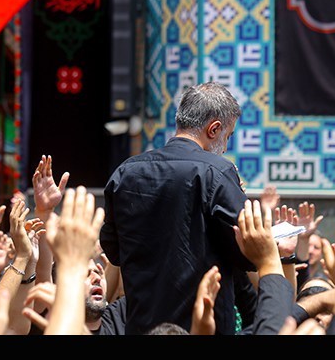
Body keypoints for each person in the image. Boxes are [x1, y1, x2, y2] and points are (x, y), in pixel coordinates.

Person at [100, 81, 255, 335]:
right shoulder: (217, 171)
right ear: (214, 129)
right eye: (227, 136)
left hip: (142, 326)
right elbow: (248, 254)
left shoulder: (125, 172)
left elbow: (113, 251)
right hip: (202, 327)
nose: (225, 147)